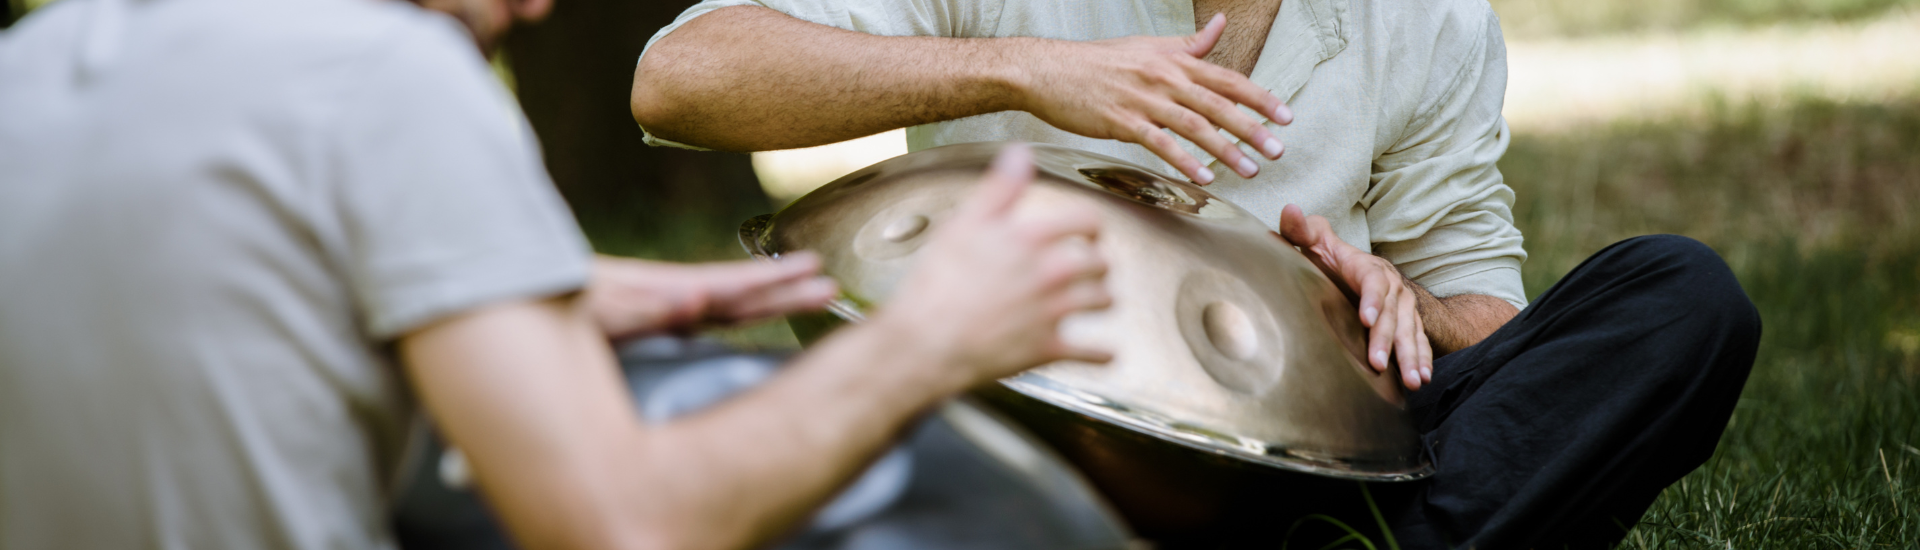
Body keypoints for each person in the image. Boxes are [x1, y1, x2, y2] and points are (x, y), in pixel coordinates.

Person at [628, 0, 1764, 547]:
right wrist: (1021, 72)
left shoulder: (1426, 19)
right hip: (1040, 426)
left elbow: (1493, 327)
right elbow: (681, 79)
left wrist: (1393, 300)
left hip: (1307, 464)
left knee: (1683, 299)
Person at [0, 0, 1112, 549]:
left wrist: (504, 293)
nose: (536, 10)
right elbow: (621, 526)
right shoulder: (391, 76)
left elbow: (168, 316)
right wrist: (929, 341)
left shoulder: (42, 62)